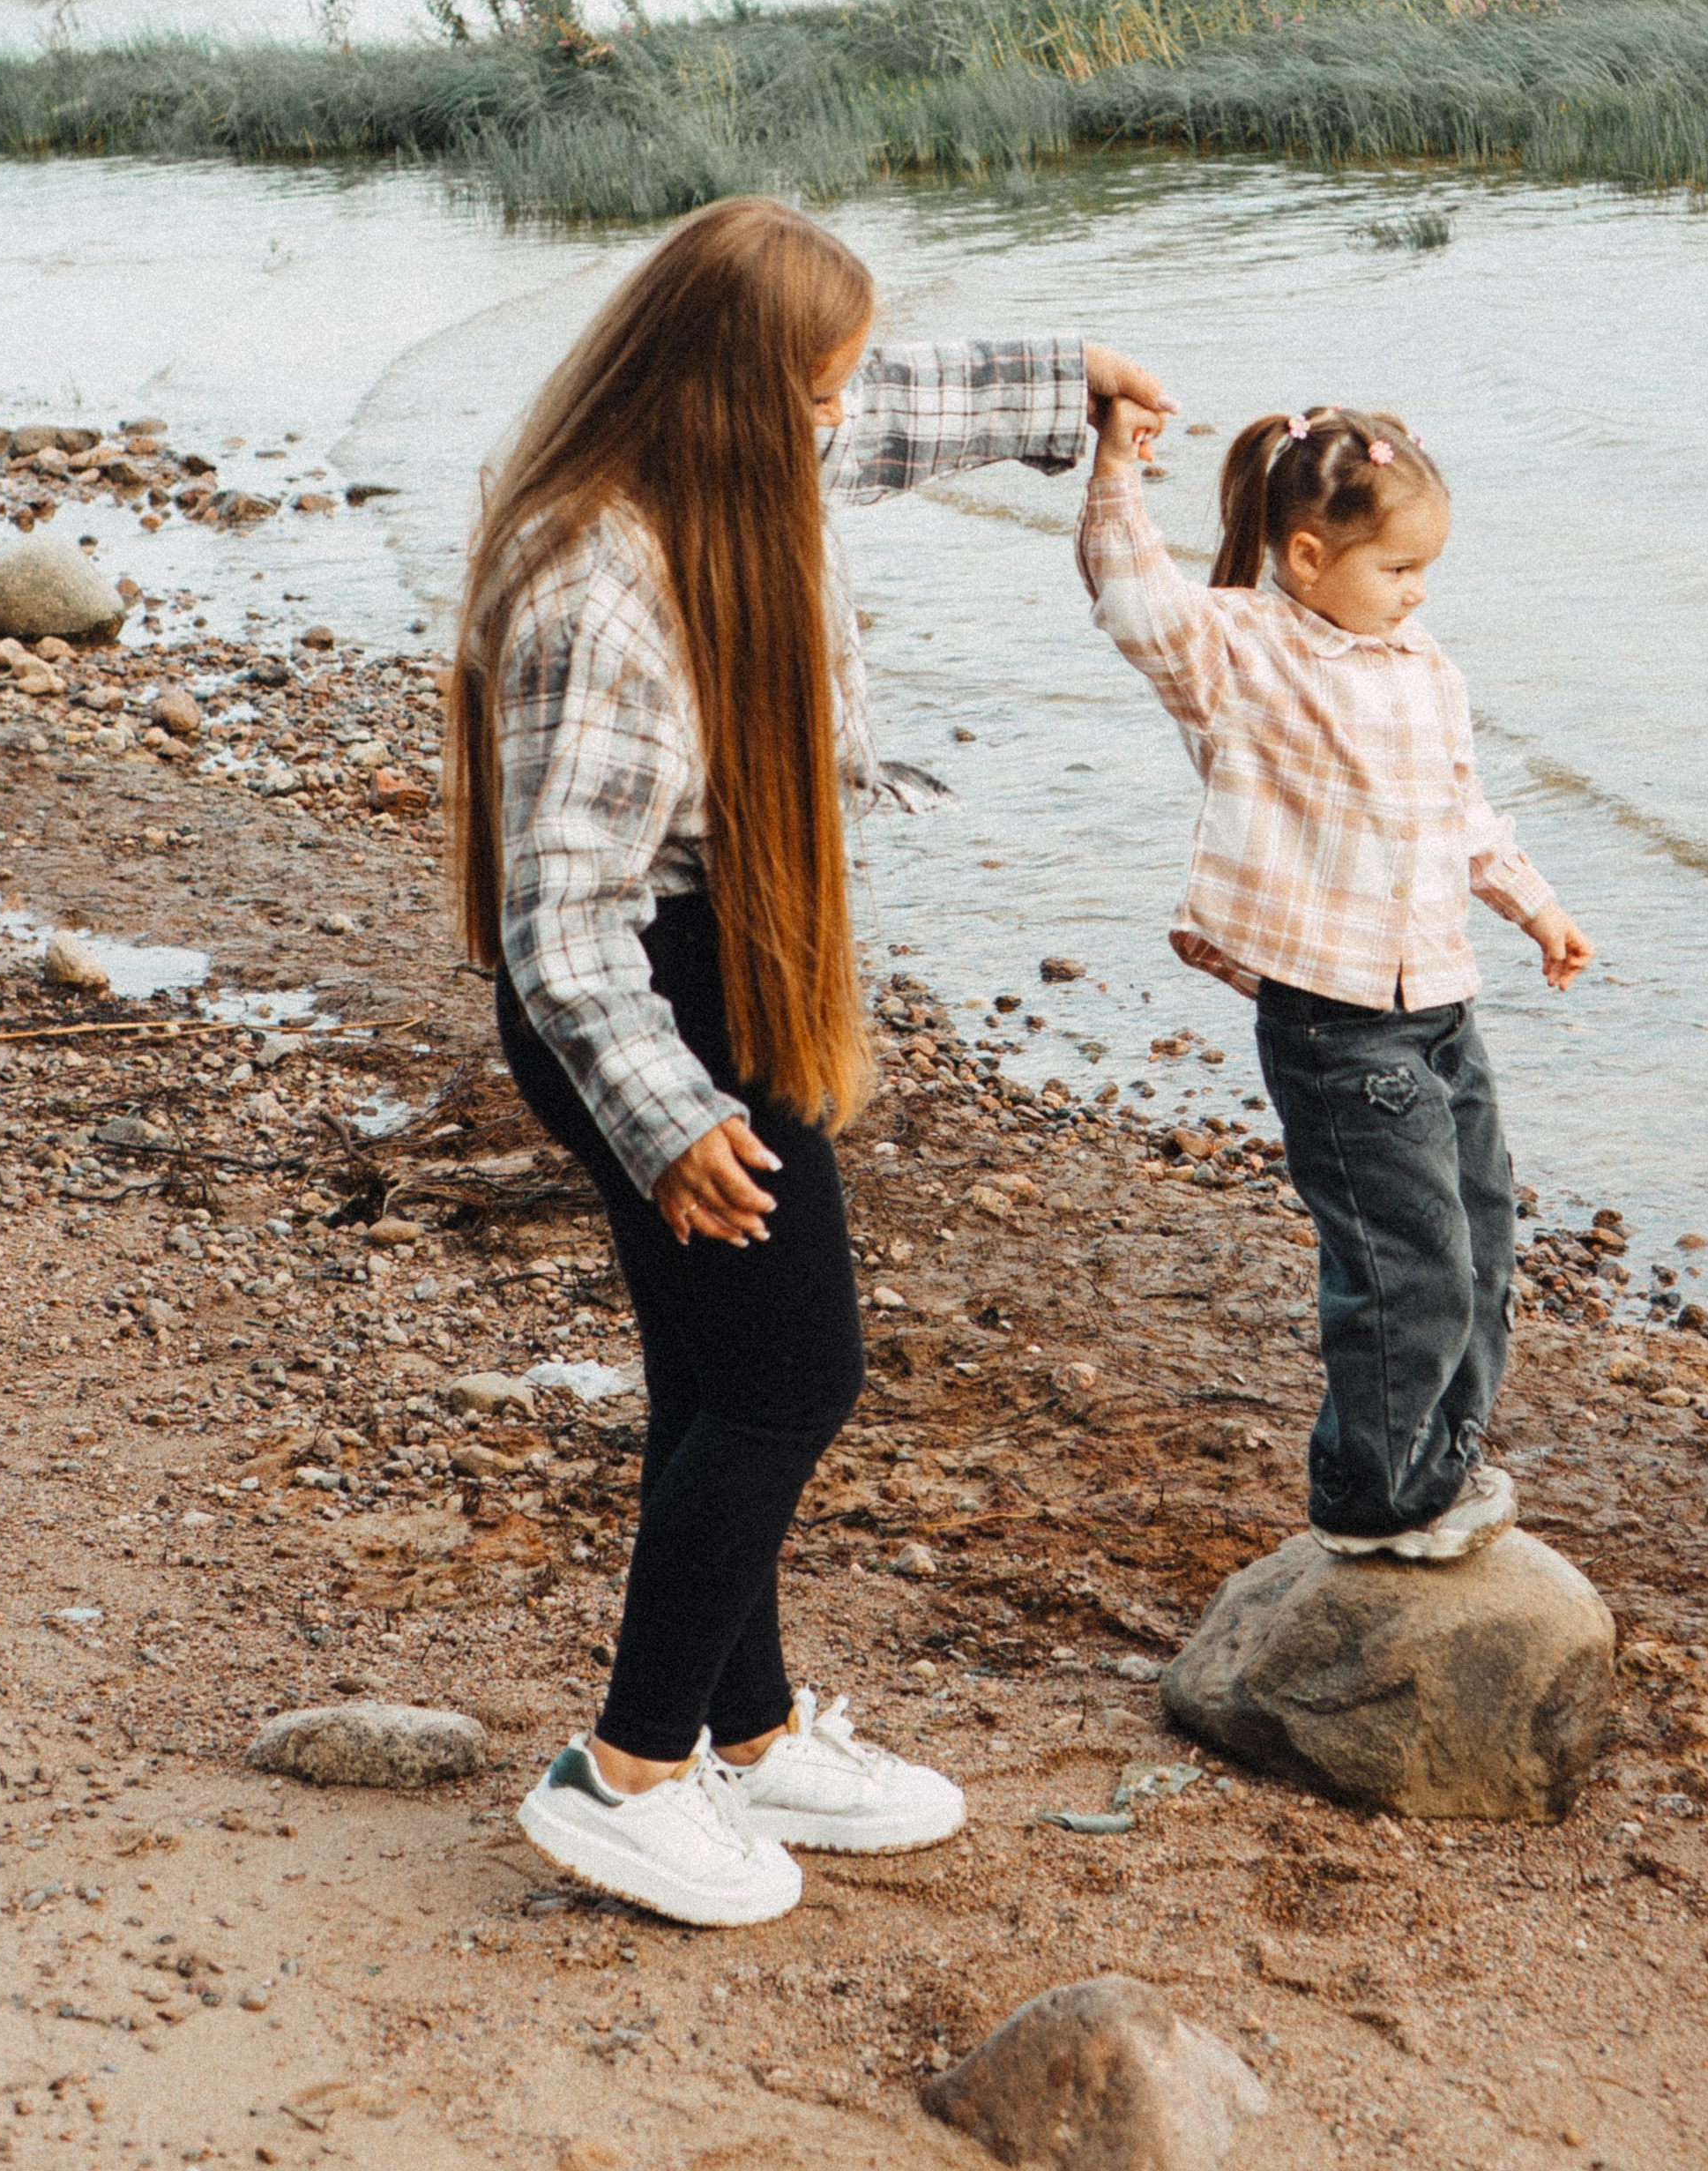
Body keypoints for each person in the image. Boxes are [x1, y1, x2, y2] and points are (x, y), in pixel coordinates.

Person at [448, 193, 1169, 1925]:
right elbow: (561, 919)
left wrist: (1068, 381)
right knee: (791, 1379)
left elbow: (890, 412)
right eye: (818, 389)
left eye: (836, 388)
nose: (841, 417)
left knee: (716, 1378)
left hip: (712, 976)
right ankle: (625, 1773)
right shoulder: (599, 582)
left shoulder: (728, 460)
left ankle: (750, 1731)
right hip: (645, 1007)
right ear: (729, 393)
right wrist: (670, 1116)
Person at [1077, 398, 1590, 1563]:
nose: (1418, 592)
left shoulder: (1425, 666)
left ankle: (1440, 1464)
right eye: (1398, 568)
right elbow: (1132, 596)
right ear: (1307, 555)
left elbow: (1461, 814)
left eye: (1426, 570)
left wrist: (1536, 906)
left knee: (1481, 1244)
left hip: (1439, 1005)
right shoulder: (1244, 654)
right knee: (1406, 1267)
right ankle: (1375, 1499)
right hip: (1337, 1021)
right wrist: (1115, 469)